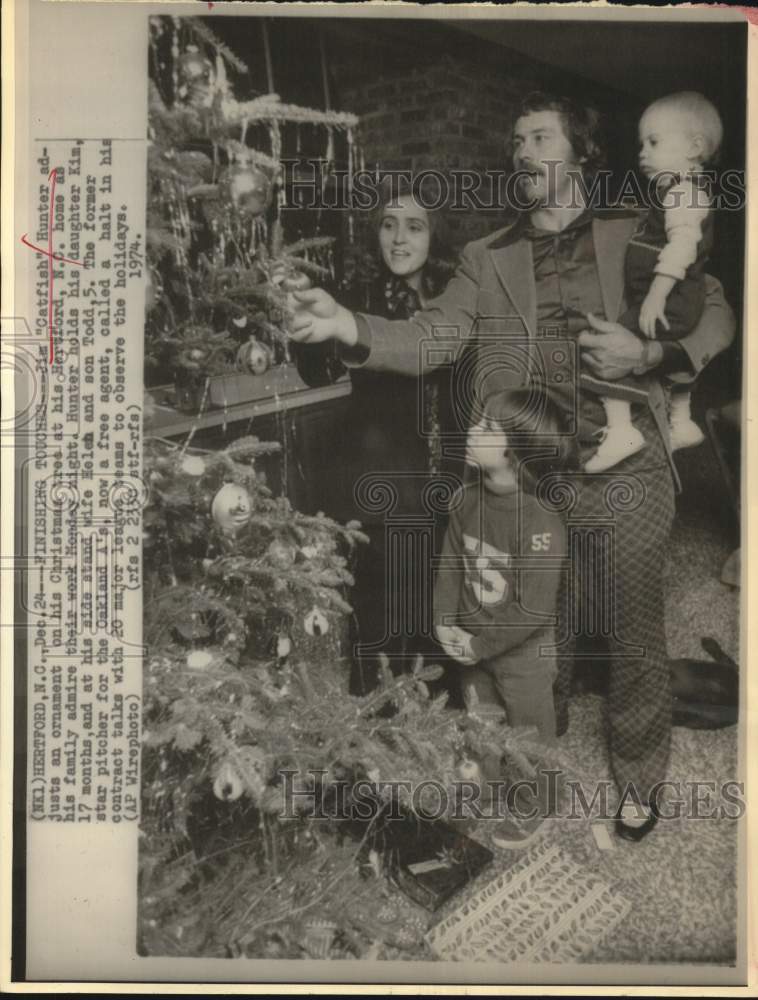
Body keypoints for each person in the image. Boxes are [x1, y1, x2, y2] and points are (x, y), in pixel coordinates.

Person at [288, 91, 735, 841]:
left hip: (624, 462)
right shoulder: (486, 257)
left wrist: (653, 353)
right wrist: (347, 326)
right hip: (527, 475)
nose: (523, 152)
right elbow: (431, 336)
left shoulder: (638, 228)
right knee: (530, 623)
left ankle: (638, 773)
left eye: (540, 136)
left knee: (629, 624)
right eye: (516, 141)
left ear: (582, 154)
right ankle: (534, 747)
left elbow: (717, 307)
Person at [295, 177, 456, 694]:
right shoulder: (358, 296)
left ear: (437, 236)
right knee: (379, 609)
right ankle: (377, 720)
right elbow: (318, 371)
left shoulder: (458, 297)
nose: (399, 239)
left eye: (415, 226)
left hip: (450, 478)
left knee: (442, 604)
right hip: (381, 482)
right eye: (388, 225)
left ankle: (440, 721)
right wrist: (300, 325)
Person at [584, 91, 722, 472]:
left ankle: (621, 428)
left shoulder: (684, 194)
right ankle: (681, 420)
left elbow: (681, 249)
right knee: (655, 347)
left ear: (695, 147)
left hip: (672, 297)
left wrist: (656, 297)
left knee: (610, 342)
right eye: (641, 143)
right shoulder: (672, 194)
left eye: (654, 142)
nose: (642, 152)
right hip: (674, 298)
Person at [434, 387, 577, 743]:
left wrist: (479, 646)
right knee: (480, 731)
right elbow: (451, 564)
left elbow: (532, 609)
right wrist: (444, 622)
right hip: (472, 644)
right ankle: (483, 794)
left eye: (487, 428)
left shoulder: (539, 521)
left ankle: (539, 800)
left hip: (523, 657)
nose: (472, 430)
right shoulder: (465, 500)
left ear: (515, 451)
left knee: (531, 741)